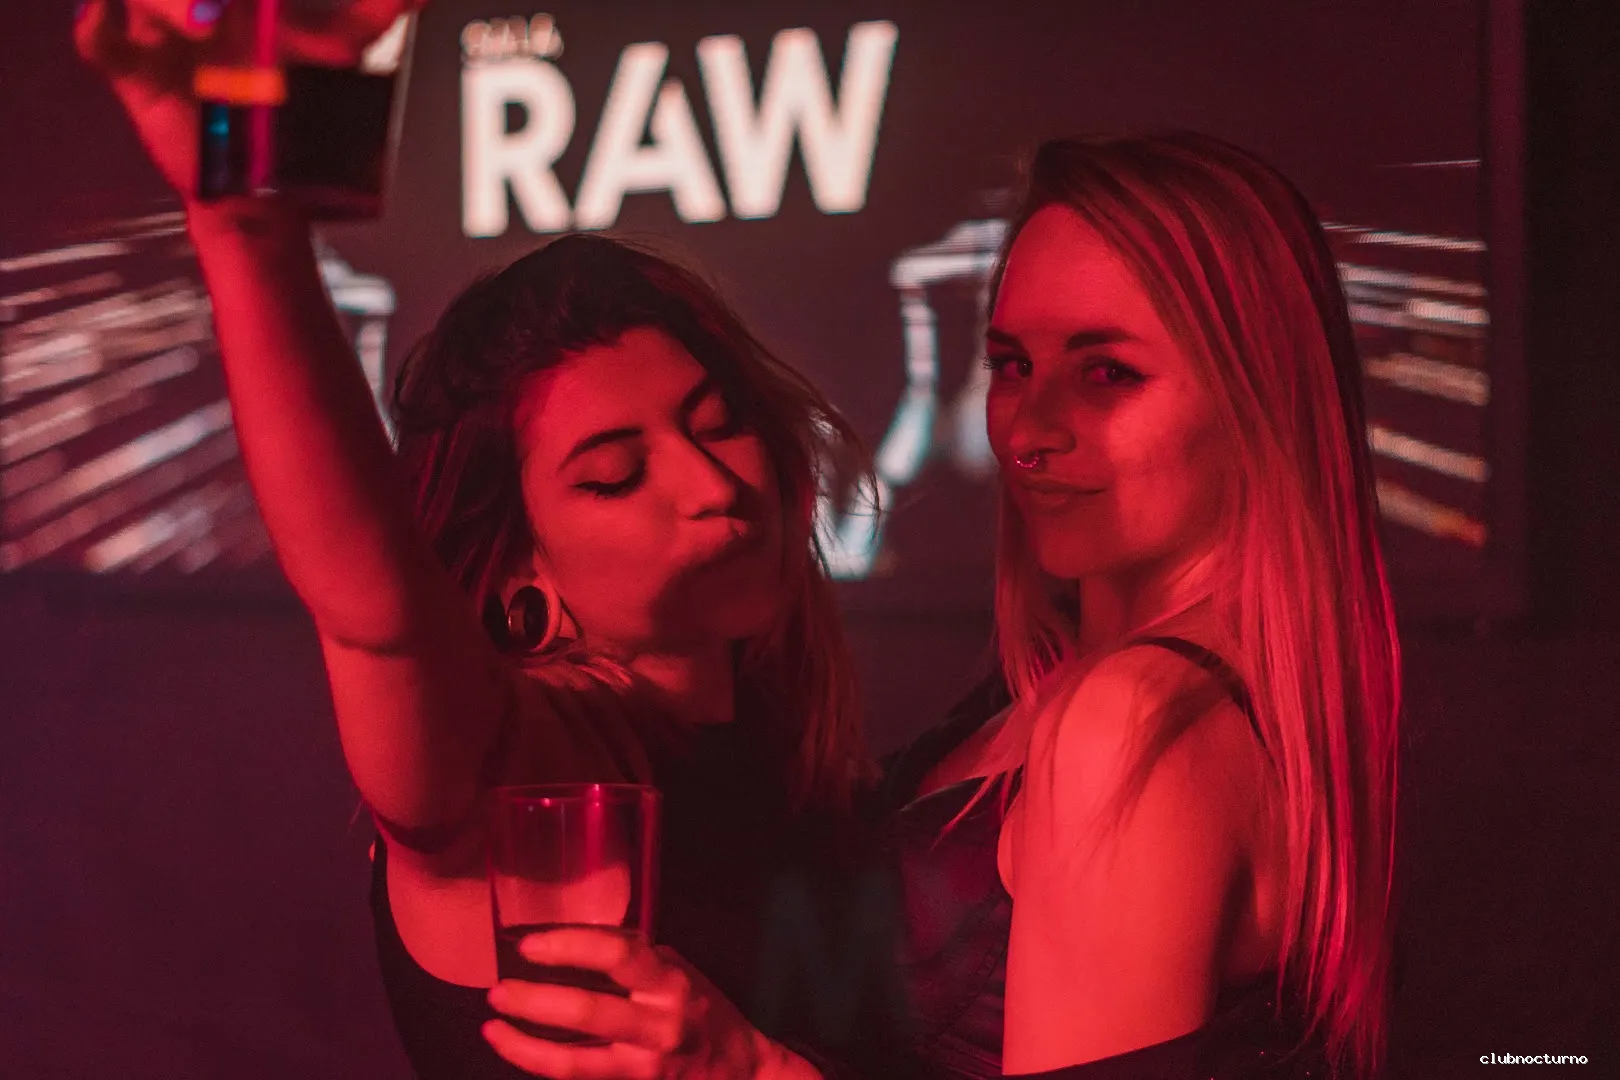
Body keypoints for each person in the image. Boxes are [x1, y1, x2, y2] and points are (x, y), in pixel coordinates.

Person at [74, 3, 907, 1078]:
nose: (712, 485)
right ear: (520, 566)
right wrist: (246, 230)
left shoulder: (803, 775)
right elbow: (379, 617)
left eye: (718, 422)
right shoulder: (541, 795)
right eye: (613, 476)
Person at [861, 133, 1401, 1079]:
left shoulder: (1134, 719)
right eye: (1011, 365)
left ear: (1258, 394)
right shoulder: (1072, 682)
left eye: (1106, 372)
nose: (1028, 432)